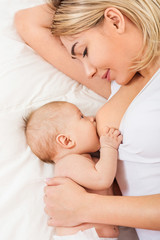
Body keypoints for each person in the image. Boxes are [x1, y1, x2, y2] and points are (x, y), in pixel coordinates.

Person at [14, 0, 160, 239]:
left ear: (115, 20)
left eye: (84, 52)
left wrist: (87, 207)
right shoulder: (119, 84)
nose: (88, 72)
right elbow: (27, 22)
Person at [25, 100, 122, 240]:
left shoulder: (85, 162)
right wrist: (109, 147)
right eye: (82, 117)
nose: (92, 118)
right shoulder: (69, 163)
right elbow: (102, 179)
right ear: (66, 141)